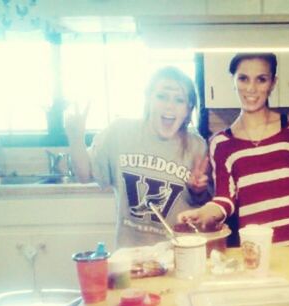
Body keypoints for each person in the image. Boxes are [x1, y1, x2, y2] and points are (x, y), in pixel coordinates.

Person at [177, 52, 289, 246]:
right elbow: (225, 198)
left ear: (273, 83)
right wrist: (205, 212)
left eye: (261, 79)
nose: (251, 88)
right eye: (243, 78)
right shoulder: (221, 143)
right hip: (260, 249)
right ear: (233, 81)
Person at [66, 66, 210, 248]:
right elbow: (84, 175)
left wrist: (198, 191)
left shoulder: (197, 146)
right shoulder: (119, 132)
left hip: (177, 253)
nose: (170, 106)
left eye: (179, 100)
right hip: (130, 255)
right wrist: (75, 138)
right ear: (148, 99)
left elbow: (203, 208)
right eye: (161, 96)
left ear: (188, 110)